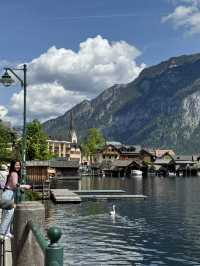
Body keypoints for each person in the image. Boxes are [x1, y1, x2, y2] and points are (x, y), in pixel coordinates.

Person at [0, 160, 31, 239]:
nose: (18, 166)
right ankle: (2, 233)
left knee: (6, 213)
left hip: (6, 193)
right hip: (9, 194)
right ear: (13, 165)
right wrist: (25, 186)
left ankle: (7, 232)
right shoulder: (14, 173)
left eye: (19, 165)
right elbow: (15, 184)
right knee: (9, 213)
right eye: (16, 165)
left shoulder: (11, 173)